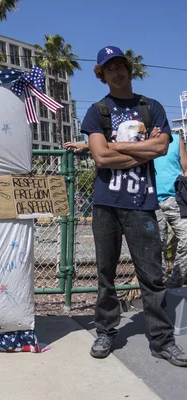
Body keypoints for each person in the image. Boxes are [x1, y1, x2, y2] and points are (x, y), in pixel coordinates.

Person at [70, 46, 186, 367]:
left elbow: (162, 147)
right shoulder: (97, 111)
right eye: (109, 69)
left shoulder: (152, 107)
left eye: (121, 66)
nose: (116, 73)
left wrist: (117, 145)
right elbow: (100, 157)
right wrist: (141, 149)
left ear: (129, 70)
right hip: (106, 203)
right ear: (101, 75)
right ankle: (106, 330)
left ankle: (161, 340)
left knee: (152, 275)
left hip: (142, 203)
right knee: (105, 273)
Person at [154, 132, 187, 288]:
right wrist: (86, 146)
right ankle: (159, 285)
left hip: (175, 199)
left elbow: (185, 168)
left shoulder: (175, 139)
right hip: (151, 201)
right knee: (155, 246)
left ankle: (174, 282)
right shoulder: (142, 140)